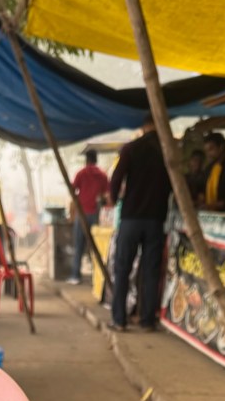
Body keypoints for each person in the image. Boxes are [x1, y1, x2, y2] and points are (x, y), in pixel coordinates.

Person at [109, 117, 172, 333]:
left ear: (144, 127)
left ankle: (119, 319)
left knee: (123, 269)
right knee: (151, 271)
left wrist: (114, 198)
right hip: (156, 219)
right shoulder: (166, 151)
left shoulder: (131, 148)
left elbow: (116, 178)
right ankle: (147, 321)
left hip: (131, 218)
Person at [68, 150, 110, 285]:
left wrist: (75, 206)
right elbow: (107, 195)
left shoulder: (81, 173)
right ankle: (96, 278)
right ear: (96, 160)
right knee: (95, 247)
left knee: (79, 246)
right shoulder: (103, 175)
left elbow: (73, 190)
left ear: (86, 160)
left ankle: (75, 276)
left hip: (82, 214)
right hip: (97, 215)